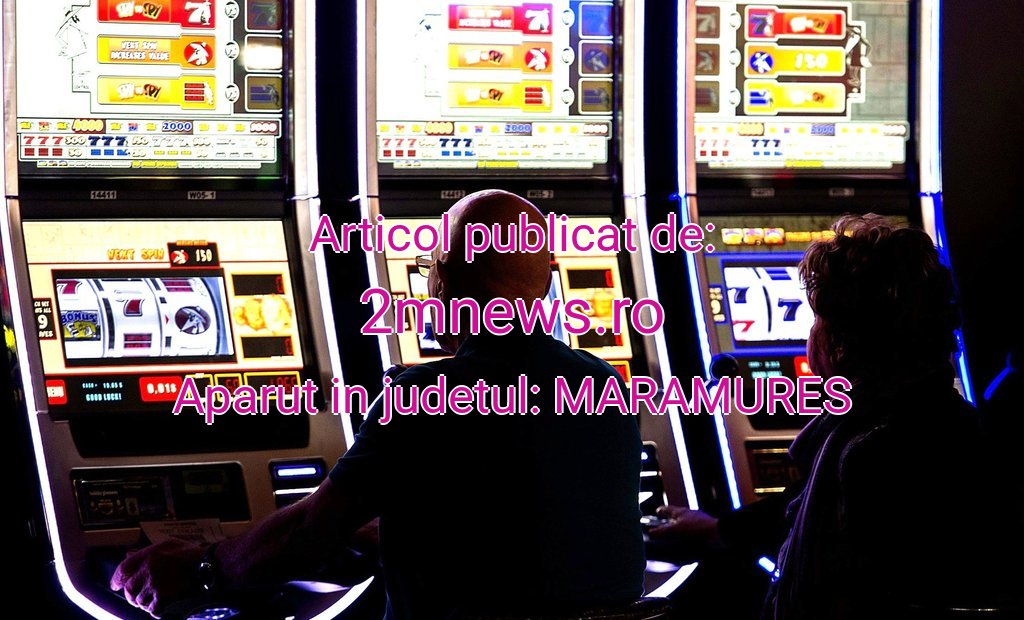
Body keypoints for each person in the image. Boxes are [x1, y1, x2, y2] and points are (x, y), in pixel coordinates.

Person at [110, 190, 646, 618]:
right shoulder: (606, 385)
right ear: (548, 278)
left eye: (429, 266)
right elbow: (523, 522)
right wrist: (396, 528)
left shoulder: (427, 395)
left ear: (441, 278)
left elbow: (308, 533)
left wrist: (202, 569)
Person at [654, 215, 1023, 617]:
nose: (811, 333)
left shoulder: (868, 450)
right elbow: (794, 507)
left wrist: (717, 536)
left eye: (816, 318)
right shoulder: (940, 418)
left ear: (842, 341)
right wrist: (719, 530)